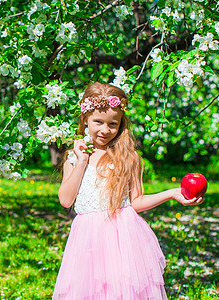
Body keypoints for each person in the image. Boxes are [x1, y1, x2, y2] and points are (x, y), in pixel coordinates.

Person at [52, 82, 205, 299]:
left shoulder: (129, 157)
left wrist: (171, 193)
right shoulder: (74, 158)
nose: (105, 130)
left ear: (121, 124)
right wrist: (81, 162)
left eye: (113, 124)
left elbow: (137, 201)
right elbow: (66, 201)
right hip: (87, 240)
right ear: (85, 119)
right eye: (98, 122)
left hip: (122, 237)